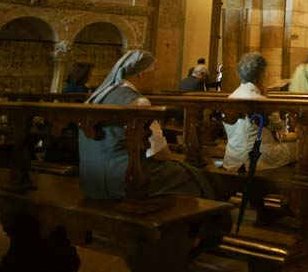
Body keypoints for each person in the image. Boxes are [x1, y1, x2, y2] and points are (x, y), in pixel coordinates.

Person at [79, 49, 214, 200]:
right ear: (141, 74)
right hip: (122, 181)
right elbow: (159, 151)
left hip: (89, 178)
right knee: (191, 177)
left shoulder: (96, 97)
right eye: (154, 72)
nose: (156, 78)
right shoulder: (137, 102)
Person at [222, 52, 297, 171]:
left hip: (232, 157)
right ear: (262, 74)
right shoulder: (260, 100)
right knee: (297, 148)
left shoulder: (230, 97)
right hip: (254, 158)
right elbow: (278, 125)